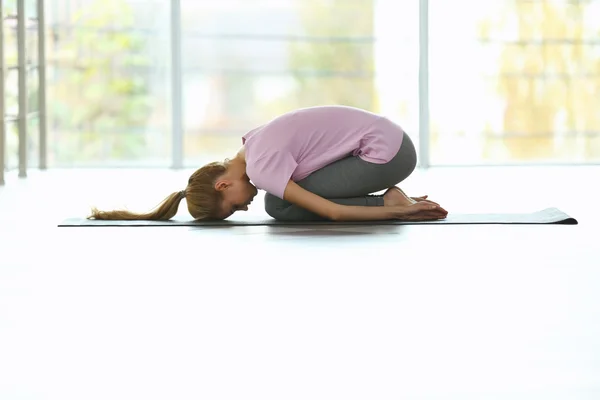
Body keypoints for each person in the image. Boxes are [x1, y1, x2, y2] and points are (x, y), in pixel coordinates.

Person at [89, 105, 448, 222]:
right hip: (391, 142)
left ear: (223, 184)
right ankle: (391, 198)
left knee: (278, 206)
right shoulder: (253, 142)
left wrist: (399, 213)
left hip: (389, 154)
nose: (244, 208)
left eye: (234, 206)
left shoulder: (260, 165)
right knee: (277, 202)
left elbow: (333, 213)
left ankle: (391, 200)